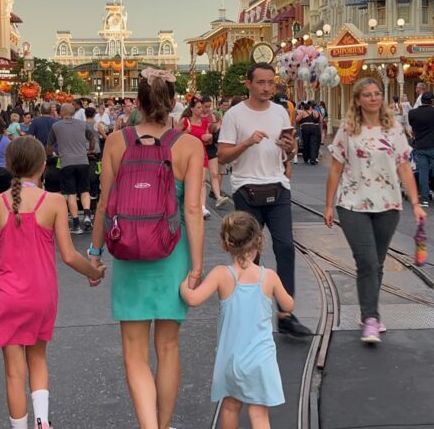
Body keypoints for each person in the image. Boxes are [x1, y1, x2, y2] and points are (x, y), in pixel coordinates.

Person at [88, 68, 205, 429]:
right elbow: (192, 211)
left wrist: (94, 255)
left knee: (135, 354)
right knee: (168, 348)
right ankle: (164, 424)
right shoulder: (189, 146)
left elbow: (105, 204)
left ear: (136, 103)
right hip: (173, 255)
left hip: (128, 254)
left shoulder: (117, 142)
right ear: (173, 103)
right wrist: (196, 267)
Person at [0, 136, 105, 429]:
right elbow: (70, 256)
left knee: (13, 372)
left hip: (6, 296)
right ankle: (41, 420)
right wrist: (94, 273)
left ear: (9, 166)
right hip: (41, 296)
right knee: (38, 359)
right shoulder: (55, 202)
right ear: (43, 166)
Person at [323, 77, 426, 344]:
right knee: (367, 261)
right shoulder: (347, 130)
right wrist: (328, 205)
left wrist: (415, 203)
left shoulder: (394, 130)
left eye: (377, 93)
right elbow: (335, 168)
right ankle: (371, 318)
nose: (373, 98)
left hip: (388, 204)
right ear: (357, 100)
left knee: (377, 263)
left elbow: (404, 166)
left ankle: (368, 312)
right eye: (367, 94)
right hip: (352, 204)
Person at [217, 62, 311, 338]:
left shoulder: (281, 112)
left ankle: (285, 313)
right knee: (250, 255)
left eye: (271, 82)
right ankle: (252, 313)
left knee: (285, 248)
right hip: (247, 188)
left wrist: (290, 149)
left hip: (278, 186)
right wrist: (246, 143)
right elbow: (222, 156)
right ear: (248, 84)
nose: (267, 88)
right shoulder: (235, 115)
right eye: (261, 82)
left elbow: (290, 154)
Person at [180, 212, 291, 429]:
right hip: (261, 360)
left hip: (232, 361)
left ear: (224, 244)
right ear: (259, 241)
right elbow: (288, 305)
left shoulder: (222, 274)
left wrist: (184, 285)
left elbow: (193, 299)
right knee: (259, 414)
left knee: (230, 406)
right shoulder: (268, 277)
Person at [46, 103, 97, 234]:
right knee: (85, 190)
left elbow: (49, 145)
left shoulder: (56, 126)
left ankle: (76, 224)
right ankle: (86, 215)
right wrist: (90, 149)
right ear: (74, 113)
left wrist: (52, 154)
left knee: (71, 194)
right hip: (82, 161)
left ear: (61, 113)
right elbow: (93, 138)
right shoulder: (82, 124)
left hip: (66, 162)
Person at [181, 96, 228, 218]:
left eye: (202, 107)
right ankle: (189, 204)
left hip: (202, 153)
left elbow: (208, 136)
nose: (201, 110)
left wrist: (210, 137)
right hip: (188, 155)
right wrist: (186, 133)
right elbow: (176, 138)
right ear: (191, 109)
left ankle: (202, 207)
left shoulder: (205, 121)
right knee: (189, 181)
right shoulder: (185, 121)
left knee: (202, 181)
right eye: (198, 107)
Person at [408, 91, 434, 208]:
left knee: (423, 172)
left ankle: (424, 199)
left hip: (420, 146)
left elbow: (411, 124)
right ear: (432, 101)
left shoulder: (412, 113)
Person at [297, 101, 323, 165]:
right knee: (313, 144)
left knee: (306, 143)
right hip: (314, 127)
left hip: (305, 128)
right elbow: (321, 120)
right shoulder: (315, 112)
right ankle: (313, 159)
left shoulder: (303, 112)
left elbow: (297, 119)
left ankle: (306, 158)